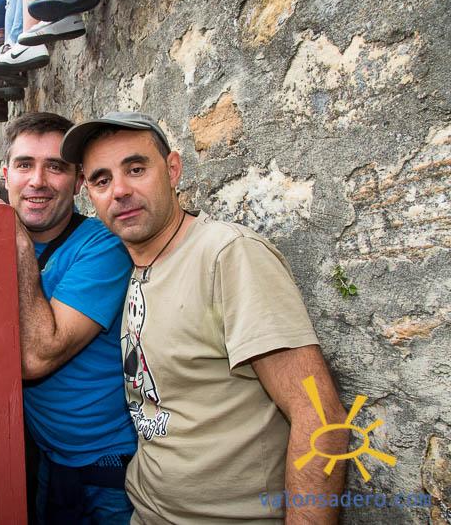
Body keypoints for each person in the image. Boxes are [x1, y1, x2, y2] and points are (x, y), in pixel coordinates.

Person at [60, 111, 349, 523]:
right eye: (102, 180)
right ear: (89, 192)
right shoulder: (133, 263)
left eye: (136, 169)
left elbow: (319, 416)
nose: (119, 191)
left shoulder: (227, 255)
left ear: (172, 170)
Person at [0, 112, 137, 524]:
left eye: (55, 167)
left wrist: (18, 240)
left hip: (109, 465)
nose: (38, 180)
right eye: (25, 165)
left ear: (77, 181)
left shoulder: (103, 247)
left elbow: (38, 357)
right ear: (6, 176)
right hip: (48, 459)